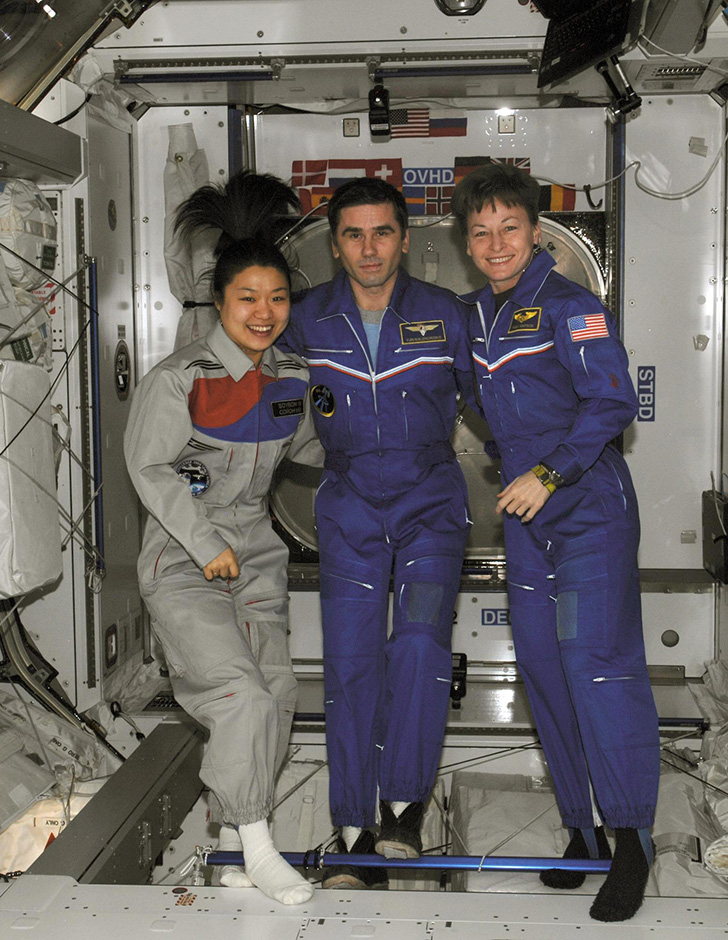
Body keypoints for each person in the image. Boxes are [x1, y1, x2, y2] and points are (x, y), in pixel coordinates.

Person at [450, 162, 660, 922]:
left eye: (510, 227)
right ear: (467, 243)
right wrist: (512, 463)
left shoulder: (573, 307)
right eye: (481, 231)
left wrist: (547, 469)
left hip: (586, 506)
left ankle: (633, 837)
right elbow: (474, 397)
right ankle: (582, 830)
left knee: (597, 668)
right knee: (543, 669)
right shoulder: (472, 316)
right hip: (524, 515)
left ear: (535, 232)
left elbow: (613, 400)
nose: (496, 242)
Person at [124, 172, 323, 905]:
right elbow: (147, 466)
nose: (265, 313)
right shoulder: (180, 379)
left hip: (257, 558)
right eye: (249, 299)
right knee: (237, 694)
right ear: (219, 301)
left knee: (276, 691)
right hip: (184, 560)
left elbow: (309, 454)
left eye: (277, 299)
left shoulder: (289, 378)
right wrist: (206, 543)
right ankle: (261, 840)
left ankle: (231, 843)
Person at [278, 177, 474, 888]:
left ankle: (403, 811)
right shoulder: (305, 320)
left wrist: (554, 473)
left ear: (405, 237)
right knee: (352, 661)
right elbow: (245, 370)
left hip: (429, 506)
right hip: (350, 504)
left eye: (381, 232)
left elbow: (496, 405)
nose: (368, 248)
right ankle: (355, 825)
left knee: (420, 644)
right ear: (334, 245)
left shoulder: (445, 316)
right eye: (354, 235)